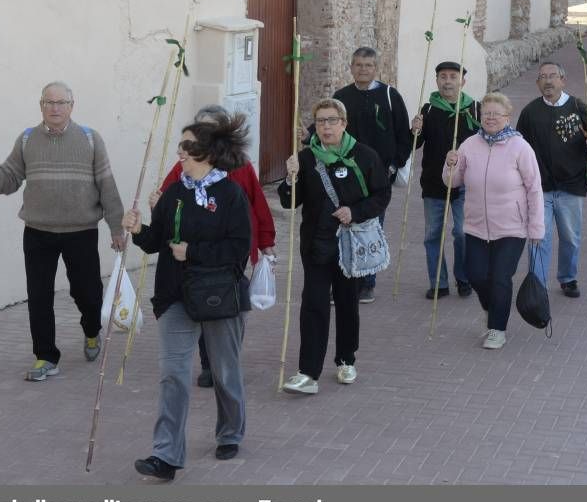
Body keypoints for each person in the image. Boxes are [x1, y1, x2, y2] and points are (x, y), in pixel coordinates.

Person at [123, 114, 252, 482]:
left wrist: (191, 252)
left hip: (219, 297)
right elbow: (155, 241)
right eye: (180, 146)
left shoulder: (230, 194)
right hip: (175, 296)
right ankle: (166, 455)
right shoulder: (175, 193)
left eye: (187, 147)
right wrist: (138, 230)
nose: (180, 152)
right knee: (173, 376)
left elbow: (238, 249)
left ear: (207, 153)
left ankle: (230, 432)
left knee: (225, 372)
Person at [0, 81, 124, 381]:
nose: (54, 108)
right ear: (41, 105)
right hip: (38, 231)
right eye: (49, 102)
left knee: (88, 293)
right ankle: (46, 357)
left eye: (61, 102)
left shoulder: (91, 140)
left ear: (72, 105)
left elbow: (108, 186)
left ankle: (91, 330)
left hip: (81, 231)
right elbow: (9, 180)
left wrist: (116, 227)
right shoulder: (27, 140)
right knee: (39, 296)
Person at [150, 105, 276, 389]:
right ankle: (209, 364)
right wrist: (156, 208)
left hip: (230, 250)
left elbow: (257, 203)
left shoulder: (240, 167)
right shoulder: (183, 168)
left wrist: (266, 240)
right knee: (200, 297)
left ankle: (220, 360)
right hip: (190, 255)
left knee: (222, 297)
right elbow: (168, 201)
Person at [279, 98, 390, 395]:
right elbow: (289, 202)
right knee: (314, 304)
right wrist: (290, 179)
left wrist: (355, 212)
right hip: (316, 243)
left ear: (344, 123)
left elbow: (381, 195)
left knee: (346, 302)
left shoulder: (365, 156)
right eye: (320, 121)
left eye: (331, 120)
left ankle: (345, 359)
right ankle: (307, 372)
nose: (326, 127)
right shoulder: (305, 158)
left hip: (350, 244)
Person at [443, 93, 544, 350]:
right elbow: (451, 182)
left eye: (495, 114)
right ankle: (493, 308)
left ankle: (497, 329)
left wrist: (536, 226)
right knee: (475, 275)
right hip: (476, 225)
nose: (489, 118)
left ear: (507, 118)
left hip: (511, 227)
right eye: (486, 113)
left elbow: (534, 188)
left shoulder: (520, 148)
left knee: (500, 277)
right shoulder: (468, 144)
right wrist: (450, 164)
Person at [516, 62, 587, 298]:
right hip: (540, 188)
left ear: (563, 80)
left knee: (570, 237)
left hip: (571, 186)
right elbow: (518, 146)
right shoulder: (530, 112)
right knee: (539, 237)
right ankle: (537, 283)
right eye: (543, 77)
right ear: (538, 83)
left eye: (553, 76)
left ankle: (568, 277)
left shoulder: (578, 107)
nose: (548, 81)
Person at [332, 47, 412, 303]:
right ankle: (345, 280)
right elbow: (329, 126)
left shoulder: (390, 96)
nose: (363, 69)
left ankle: (367, 282)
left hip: (378, 177)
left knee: (370, 227)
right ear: (351, 67)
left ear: (376, 68)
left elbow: (404, 135)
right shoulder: (341, 97)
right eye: (358, 65)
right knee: (343, 226)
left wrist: (393, 165)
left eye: (368, 65)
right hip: (346, 175)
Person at [411, 61, 478, 300]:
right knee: (433, 234)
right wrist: (415, 130)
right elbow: (415, 144)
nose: (448, 81)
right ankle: (438, 282)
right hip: (433, 183)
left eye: (453, 76)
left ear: (463, 81)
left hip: (466, 184)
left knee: (462, 232)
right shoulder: (428, 110)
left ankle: (463, 277)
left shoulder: (475, 110)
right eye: (443, 76)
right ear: (437, 80)